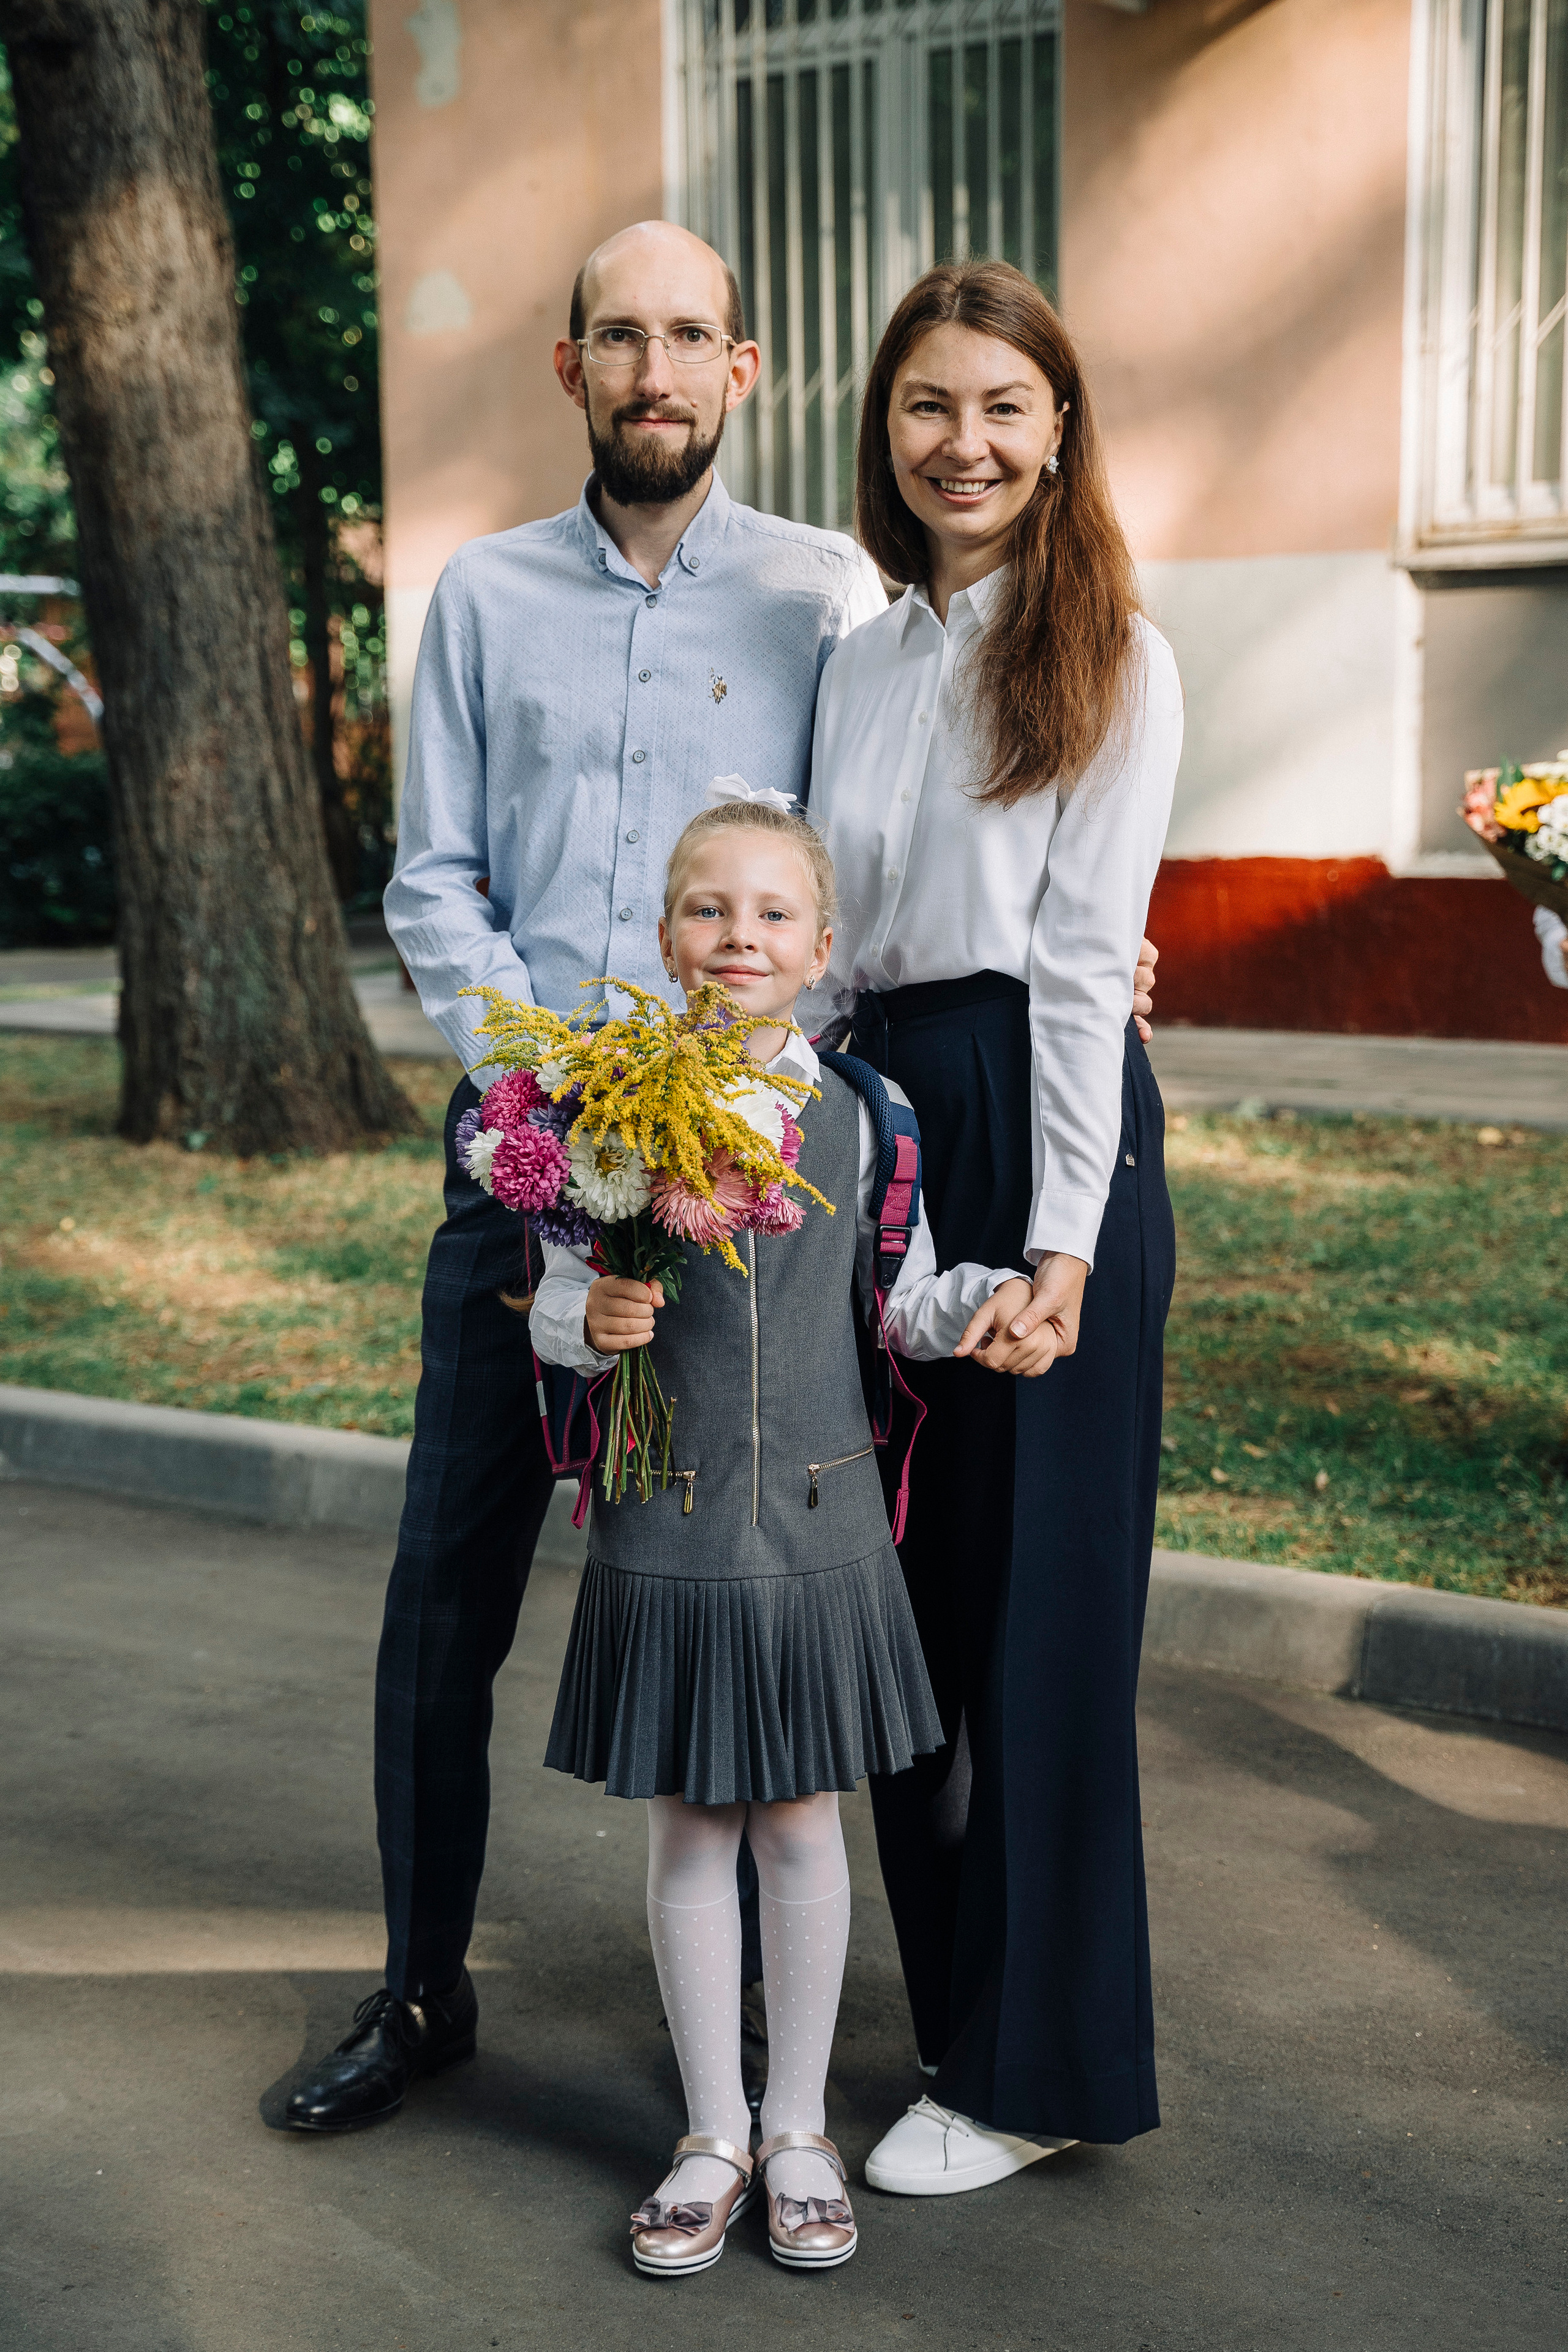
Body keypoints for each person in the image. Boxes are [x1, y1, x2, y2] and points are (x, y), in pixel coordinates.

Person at [281, 221, 888, 2132]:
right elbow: (434, 878)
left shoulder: (828, 598)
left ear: (744, 365)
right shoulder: (482, 597)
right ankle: (419, 1988)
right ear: (571, 372)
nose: (654, 368)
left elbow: (864, 873)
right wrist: (551, 1102)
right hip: (528, 1167)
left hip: (743, 1205)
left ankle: (794, 2056)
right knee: (444, 1595)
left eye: (688, 335)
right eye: (618, 336)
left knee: (771, 1584)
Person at [527, 791, 1044, 2273]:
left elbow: (901, 1293)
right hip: (669, 1518)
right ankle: (709, 2134)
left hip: (821, 1520)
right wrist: (591, 1316)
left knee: (804, 1825)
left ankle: (801, 2122)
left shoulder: (866, 1116)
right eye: (707, 909)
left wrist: (982, 1303)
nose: (736, 936)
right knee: (693, 1824)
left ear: (823, 946)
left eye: (769, 914)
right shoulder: (595, 1107)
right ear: (663, 935)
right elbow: (557, 1303)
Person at [806, 260, 1183, 2195]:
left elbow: (1070, 973)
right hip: (877, 1121)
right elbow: (812, 950)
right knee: (909, 1621)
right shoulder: (861, 656)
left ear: (1060, 431)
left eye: (1004, 409)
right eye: (930, 405)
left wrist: (1059, 1249)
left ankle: (1039, 2073)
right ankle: (961, 2026)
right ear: (887, 428)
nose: (965, 442)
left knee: (1038, 1623)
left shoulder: (1114, 648)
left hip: (1047, 1128)